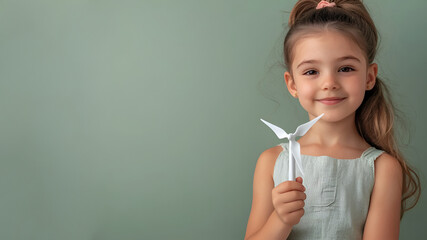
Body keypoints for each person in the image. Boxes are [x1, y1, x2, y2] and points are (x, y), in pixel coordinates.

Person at [244, 0, 421, 239]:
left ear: (369, 77)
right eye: (311, 72)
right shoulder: (272, 162)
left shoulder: (383, 169)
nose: (329, 83)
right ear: (292, 84)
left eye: (346, 68)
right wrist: (280, 220)